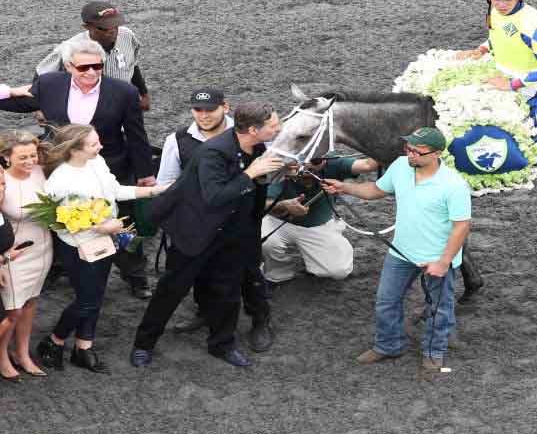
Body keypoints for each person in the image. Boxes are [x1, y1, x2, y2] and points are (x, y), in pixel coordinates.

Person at [130, 102, 284, 368]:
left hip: (234, 233)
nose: (279, 129)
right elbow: (214, 197)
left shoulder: (257, 147)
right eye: (273, 125)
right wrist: (251, 173)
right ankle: (144, 343)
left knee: (227, 291)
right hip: (195, 233)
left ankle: (222, 344)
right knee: (171, 290)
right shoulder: (213, 152)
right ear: (252, 130)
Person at [2, 37, 157, 299]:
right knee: (61, 216)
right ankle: (59, 267)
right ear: (68, 66)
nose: (92, 73)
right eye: (84, 67)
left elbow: (136, 134)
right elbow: (20, 103)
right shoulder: (50, 84)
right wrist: (10, 90)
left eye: (97, 66)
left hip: (109, 165)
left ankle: (135, 275)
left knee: (120, 219)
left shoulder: (124, 92)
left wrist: (145, 173)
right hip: (59, 167)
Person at [321, 127, 471, 370]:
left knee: (439, 307)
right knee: (386, 301)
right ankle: (387, 345)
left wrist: (443, 262)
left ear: (437, 154)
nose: (411, 155)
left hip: (436, 257)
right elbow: (376, 190)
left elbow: (461, 228)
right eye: (408, 149)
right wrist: (343, 187)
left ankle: (434, 351)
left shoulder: (453, 185)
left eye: (417, 152)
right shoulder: (401, 166)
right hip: (400, 252)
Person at [35, 125, 167, 374]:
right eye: (94, 144)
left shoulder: (97, 162)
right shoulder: (60, 181)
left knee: (94, 297)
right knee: (87, 301)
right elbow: (57, 221)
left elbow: (115, 191)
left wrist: (152, 190)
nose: (101, 146)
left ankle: (84, 348)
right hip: (79, 247)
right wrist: (103, 227)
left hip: (107, 240)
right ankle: (54, 340)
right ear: (74, 149)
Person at [261, 154, 379, 285]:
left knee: (338, 271)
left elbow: (368, 164)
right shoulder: (282, 166)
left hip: (319, 225)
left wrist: (389, 147)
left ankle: (321, 250)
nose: (316, 162)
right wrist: (284, 206)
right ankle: (279, 272)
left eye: (317, 159)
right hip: (279, 223)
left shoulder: (333, 163)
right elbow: (264, 204)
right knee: (265, 241)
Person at [0, 131, 53, 381]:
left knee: (31, 302)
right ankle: (2, 357)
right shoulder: (1, 182)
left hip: (43, 247)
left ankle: (22, 353)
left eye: (33, 155)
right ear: (6, 158)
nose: (30, 161)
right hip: (13, 254)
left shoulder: (42, 170)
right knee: (13, 310)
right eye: (23, 157)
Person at [35, 1, 151, 111]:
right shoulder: (71, 48)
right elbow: (40, 76)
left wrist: (143, 93)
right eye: (104, 28)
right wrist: (39, 110)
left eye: (115, 25)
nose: (112, 31)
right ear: (87, 27)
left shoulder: (127, 36)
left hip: (120, 105)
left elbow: (133, 65)